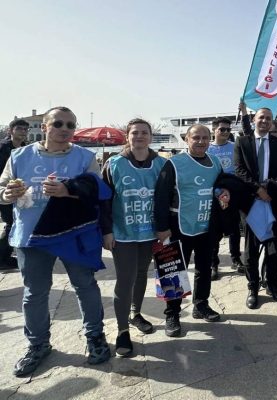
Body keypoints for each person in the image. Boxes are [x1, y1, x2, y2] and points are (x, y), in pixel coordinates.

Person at [1, 106, 111, 376]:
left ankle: (95, 337)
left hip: (73, 233)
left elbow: (97, 191)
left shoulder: (85, 157)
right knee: (34, 293)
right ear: (45, 127)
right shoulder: (19, 156)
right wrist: (8, 194)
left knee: (85, 286)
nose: (65, 129)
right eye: (58, 124)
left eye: (70, 125)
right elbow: (2, 189)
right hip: (31, 235)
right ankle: (38, 344)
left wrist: (67, 190)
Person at [102, 118, 166, 356]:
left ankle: (135, 313)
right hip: (123, 232)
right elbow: (104, 200)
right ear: (127, 136)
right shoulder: (114, 163)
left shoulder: (161, 164)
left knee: (141, 273)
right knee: (125, 278)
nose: (139, 136)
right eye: (135, 133)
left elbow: (167, 198)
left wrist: (165, 228)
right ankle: (122, 331)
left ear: (151, 136)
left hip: (150, 232)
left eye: (144, 132)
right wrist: (106, 231)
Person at [154, 124, 224, 337]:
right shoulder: (174, 163)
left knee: (204, 267)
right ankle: (172, 313)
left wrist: (224, 194)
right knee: (173, 270)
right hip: (178, 225)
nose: (201, 141)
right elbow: (161, 196)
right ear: (186, 139)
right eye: (196, 137)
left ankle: (201, 304)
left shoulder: (215, 162)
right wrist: (162, 228)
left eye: (205, 137)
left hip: (206, 225)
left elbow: (221, 186)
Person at [235, 108, 277, 309]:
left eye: (269, 118)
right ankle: (253, 288)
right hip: (251, 202)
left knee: (274, 248)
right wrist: (258, 189)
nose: (265, 121)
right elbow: (239, 170)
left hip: (272, 201)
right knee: (251, 250)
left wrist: (270, 187)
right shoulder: (242, 142)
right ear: (254, 119)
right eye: (261, 117)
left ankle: (272, 285)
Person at [207, 117, 243, 280]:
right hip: (214, 194)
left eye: (228, 129)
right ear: (214, 130)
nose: (226, 132)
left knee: (234, 229)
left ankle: (236, 259)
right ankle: (213, 263)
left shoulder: (235, 146)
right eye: (222, 129)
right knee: (214, 231)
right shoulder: (207, 148)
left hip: (233, 192)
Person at [0, 119, 29, 270]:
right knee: (11, 223)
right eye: (19, 128)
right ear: (11, 130)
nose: (23, 131)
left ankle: (6, 256)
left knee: (15, 222)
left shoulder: (25, 148)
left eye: (25, 129)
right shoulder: (3, 147)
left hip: (20, 191)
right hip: (5, 191)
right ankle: (1, 259)